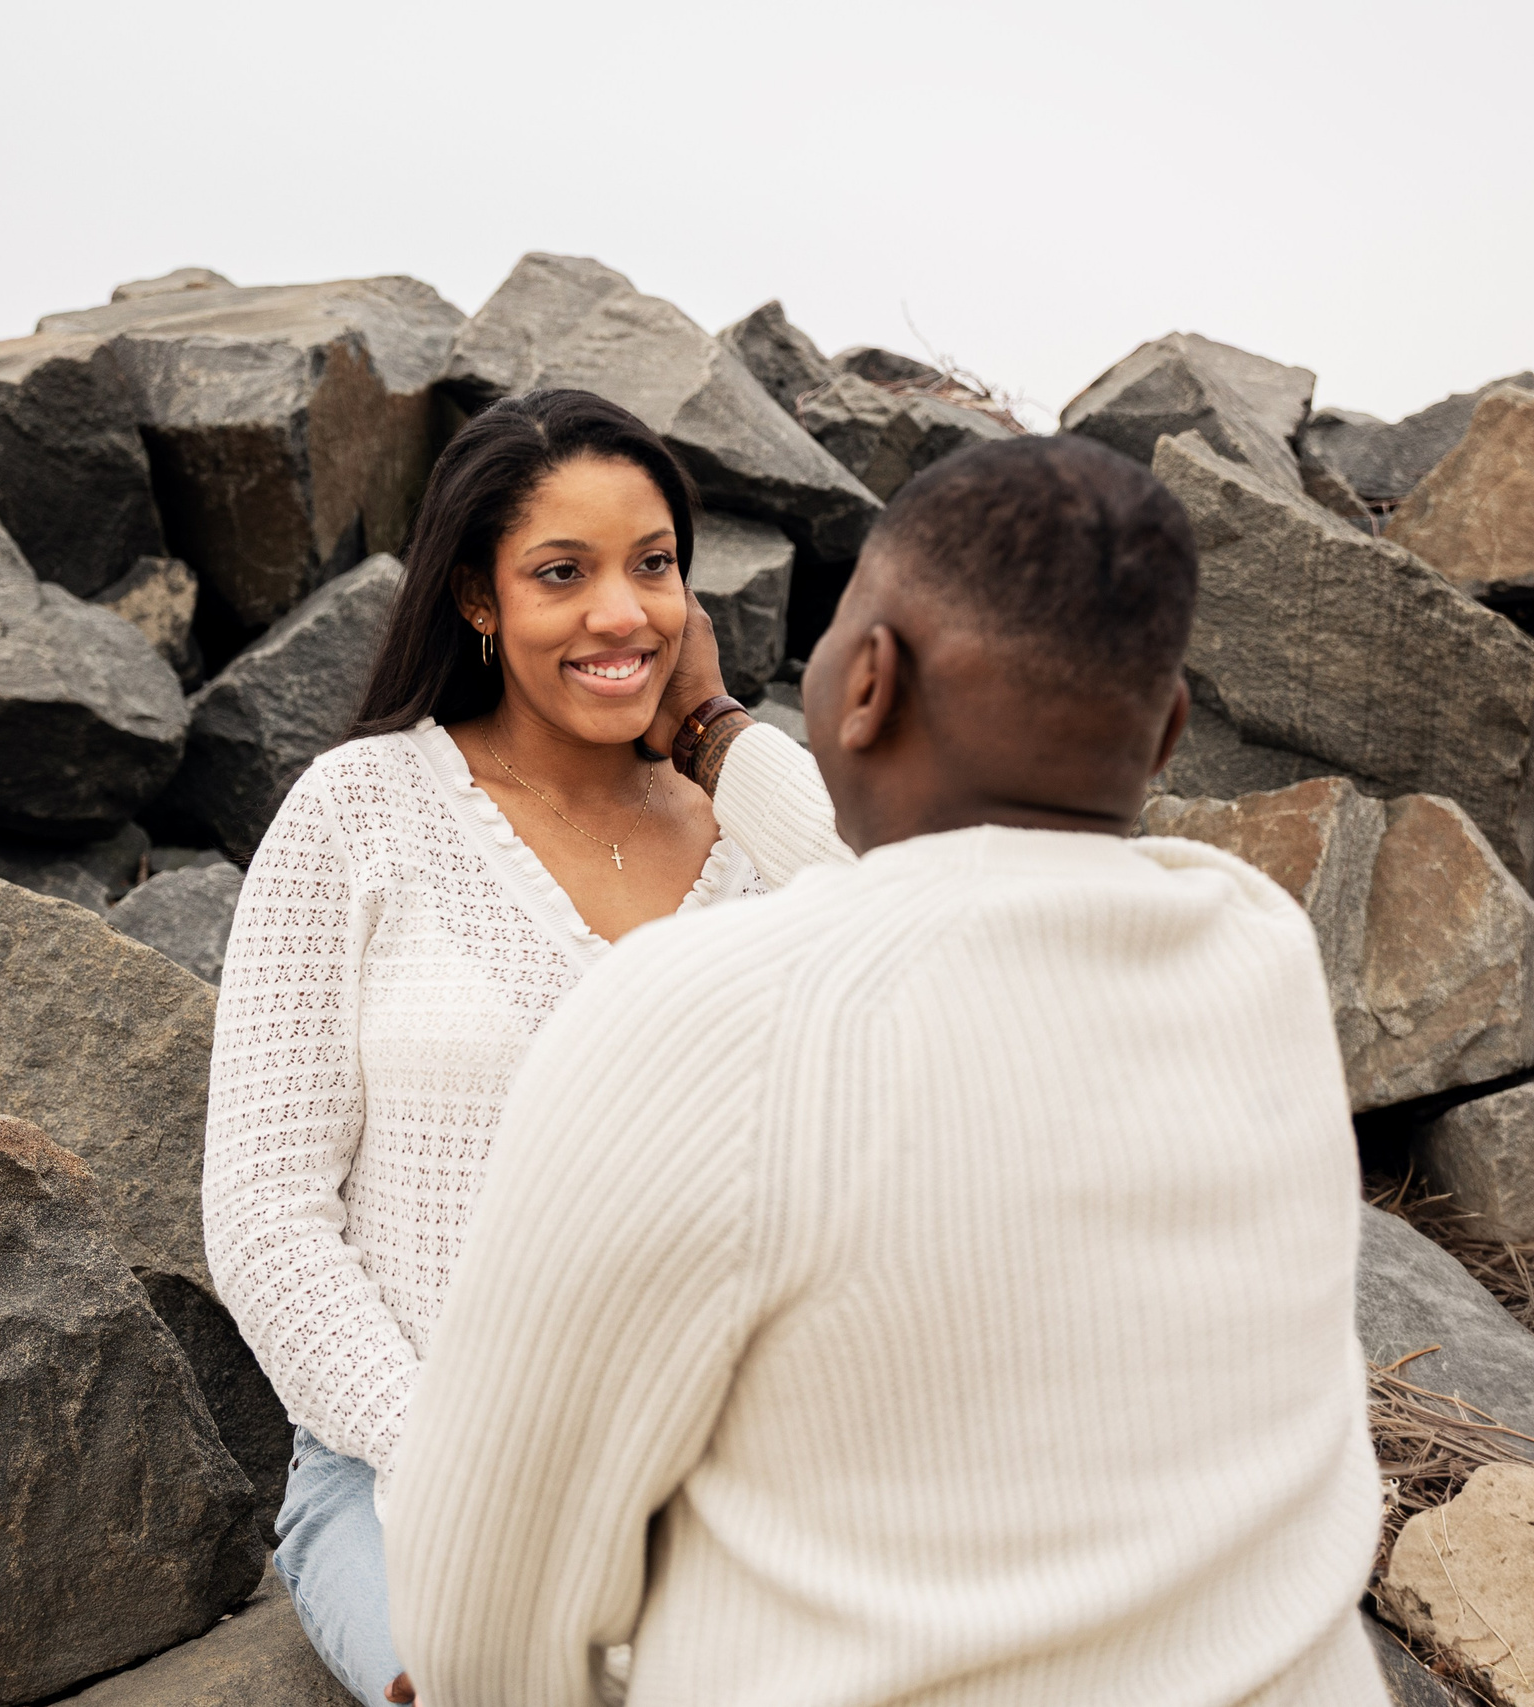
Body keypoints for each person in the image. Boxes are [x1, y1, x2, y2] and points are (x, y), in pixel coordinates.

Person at [385, 434, 1390, 1707]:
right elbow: (943, 892)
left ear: (863, 680)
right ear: (1171, 732)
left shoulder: (706, 1023)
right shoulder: (1257, 952)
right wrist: (707, 729)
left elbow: (482, 1625)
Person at [201, 388, 846, 1707]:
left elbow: (923, 971)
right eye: (565, 572)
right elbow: (267, 1218)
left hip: (722, 1481)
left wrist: (722, 733)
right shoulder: (360, 814)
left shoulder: (759, 846)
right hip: (408, 1474)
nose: (626, 614)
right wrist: (455, 1458)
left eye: (654, 565)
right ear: (479, 601)